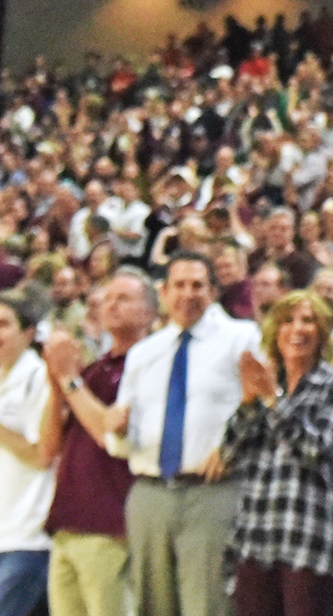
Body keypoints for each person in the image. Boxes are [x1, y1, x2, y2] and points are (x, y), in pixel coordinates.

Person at [114, 252, 263, 616]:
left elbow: (264, 405)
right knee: (151, 605)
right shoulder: (143, 353)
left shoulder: (241, 338)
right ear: (163, 292)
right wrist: (117, 431)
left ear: (213, 291)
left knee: (207, 604)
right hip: (149, 491)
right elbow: (122, 431)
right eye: (178, 285)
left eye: (197, 284)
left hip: (211, 492)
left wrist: (234, 447)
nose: (187, 293)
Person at [220, 290, 333, 616]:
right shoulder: (266, 381)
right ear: (274, 332)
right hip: (256, 529)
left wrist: (272, 401)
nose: (297, 329)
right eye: (287, 321)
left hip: (307, 533)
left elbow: (315, 452)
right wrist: (249, 401)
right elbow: (229, 450)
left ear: (321, 333)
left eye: (308, 321)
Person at [40, 270, 155, 616]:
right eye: (106, 299)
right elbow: (48, 447)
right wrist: (53, 384)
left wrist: (67, 380)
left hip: (111, 527)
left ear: (150, 312)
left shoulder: (151, 364)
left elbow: (109, 435)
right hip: (67, 525)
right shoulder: (94, 369)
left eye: (123, 298)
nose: (111, 305)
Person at [0, 292, 54, 616]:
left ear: (28, 332)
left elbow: (42, 454)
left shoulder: (38, 378)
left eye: (3, 324)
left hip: (27, 536)